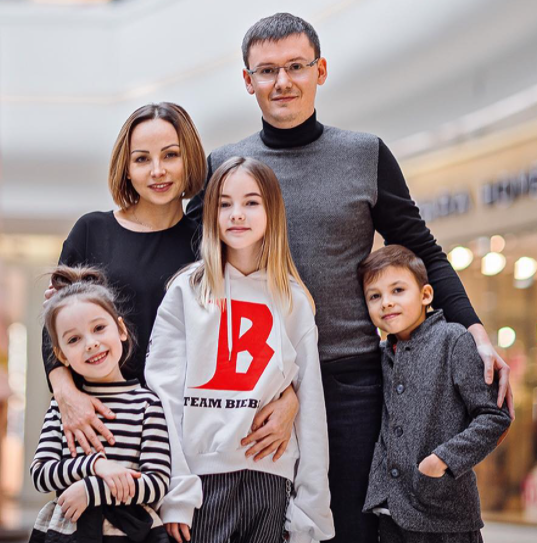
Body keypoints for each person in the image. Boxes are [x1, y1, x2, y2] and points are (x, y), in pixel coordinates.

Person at [186, 12, 513, 543]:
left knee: (351, 530)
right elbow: (189, 270)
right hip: (249, 383)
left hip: (350, 383)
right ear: (248, 81)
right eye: (267, 71)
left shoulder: (364, 155)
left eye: (296, 66)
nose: (283, 81)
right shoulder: (225, 168)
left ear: (321, 70)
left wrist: (476, 332)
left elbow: (422, 249)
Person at [145, 157, 335, 543]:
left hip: (270, 481)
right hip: (201, 485)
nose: (237, 214)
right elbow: (164, 400)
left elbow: (311, 408)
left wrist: (310, 512)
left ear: (272, 212)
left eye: (251, 202)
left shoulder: (293, 300)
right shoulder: (186, 291)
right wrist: (176, 491)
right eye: (224, 203)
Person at [42, 102, 206, 457]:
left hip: (183, 430)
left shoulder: (207, 244)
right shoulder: (92, 231)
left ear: (189, 158)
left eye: (171, 155)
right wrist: (66, 396)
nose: (158, 171)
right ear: (127, 169)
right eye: (142, 159)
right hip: (99, 423)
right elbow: (53, 329)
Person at [358, 245, 511, 543]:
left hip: (445, 516)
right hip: (390, 516)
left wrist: (442, 459)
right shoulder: (380, 354)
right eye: (375, 296)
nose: (386, 303)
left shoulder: (453, 340)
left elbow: (494, 416)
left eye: (398, 290)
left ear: (426, 295)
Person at [30, 266, 172, 543]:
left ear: (120, 329)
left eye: (98, 328)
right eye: (74, 339)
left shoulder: (147, 404)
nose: (91, 343)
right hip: (68, 531)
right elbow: (41, 473)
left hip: (131, 533)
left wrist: (91, 490)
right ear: (63, 355)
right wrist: (96, 465)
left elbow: (156, 483)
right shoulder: (63, 408)